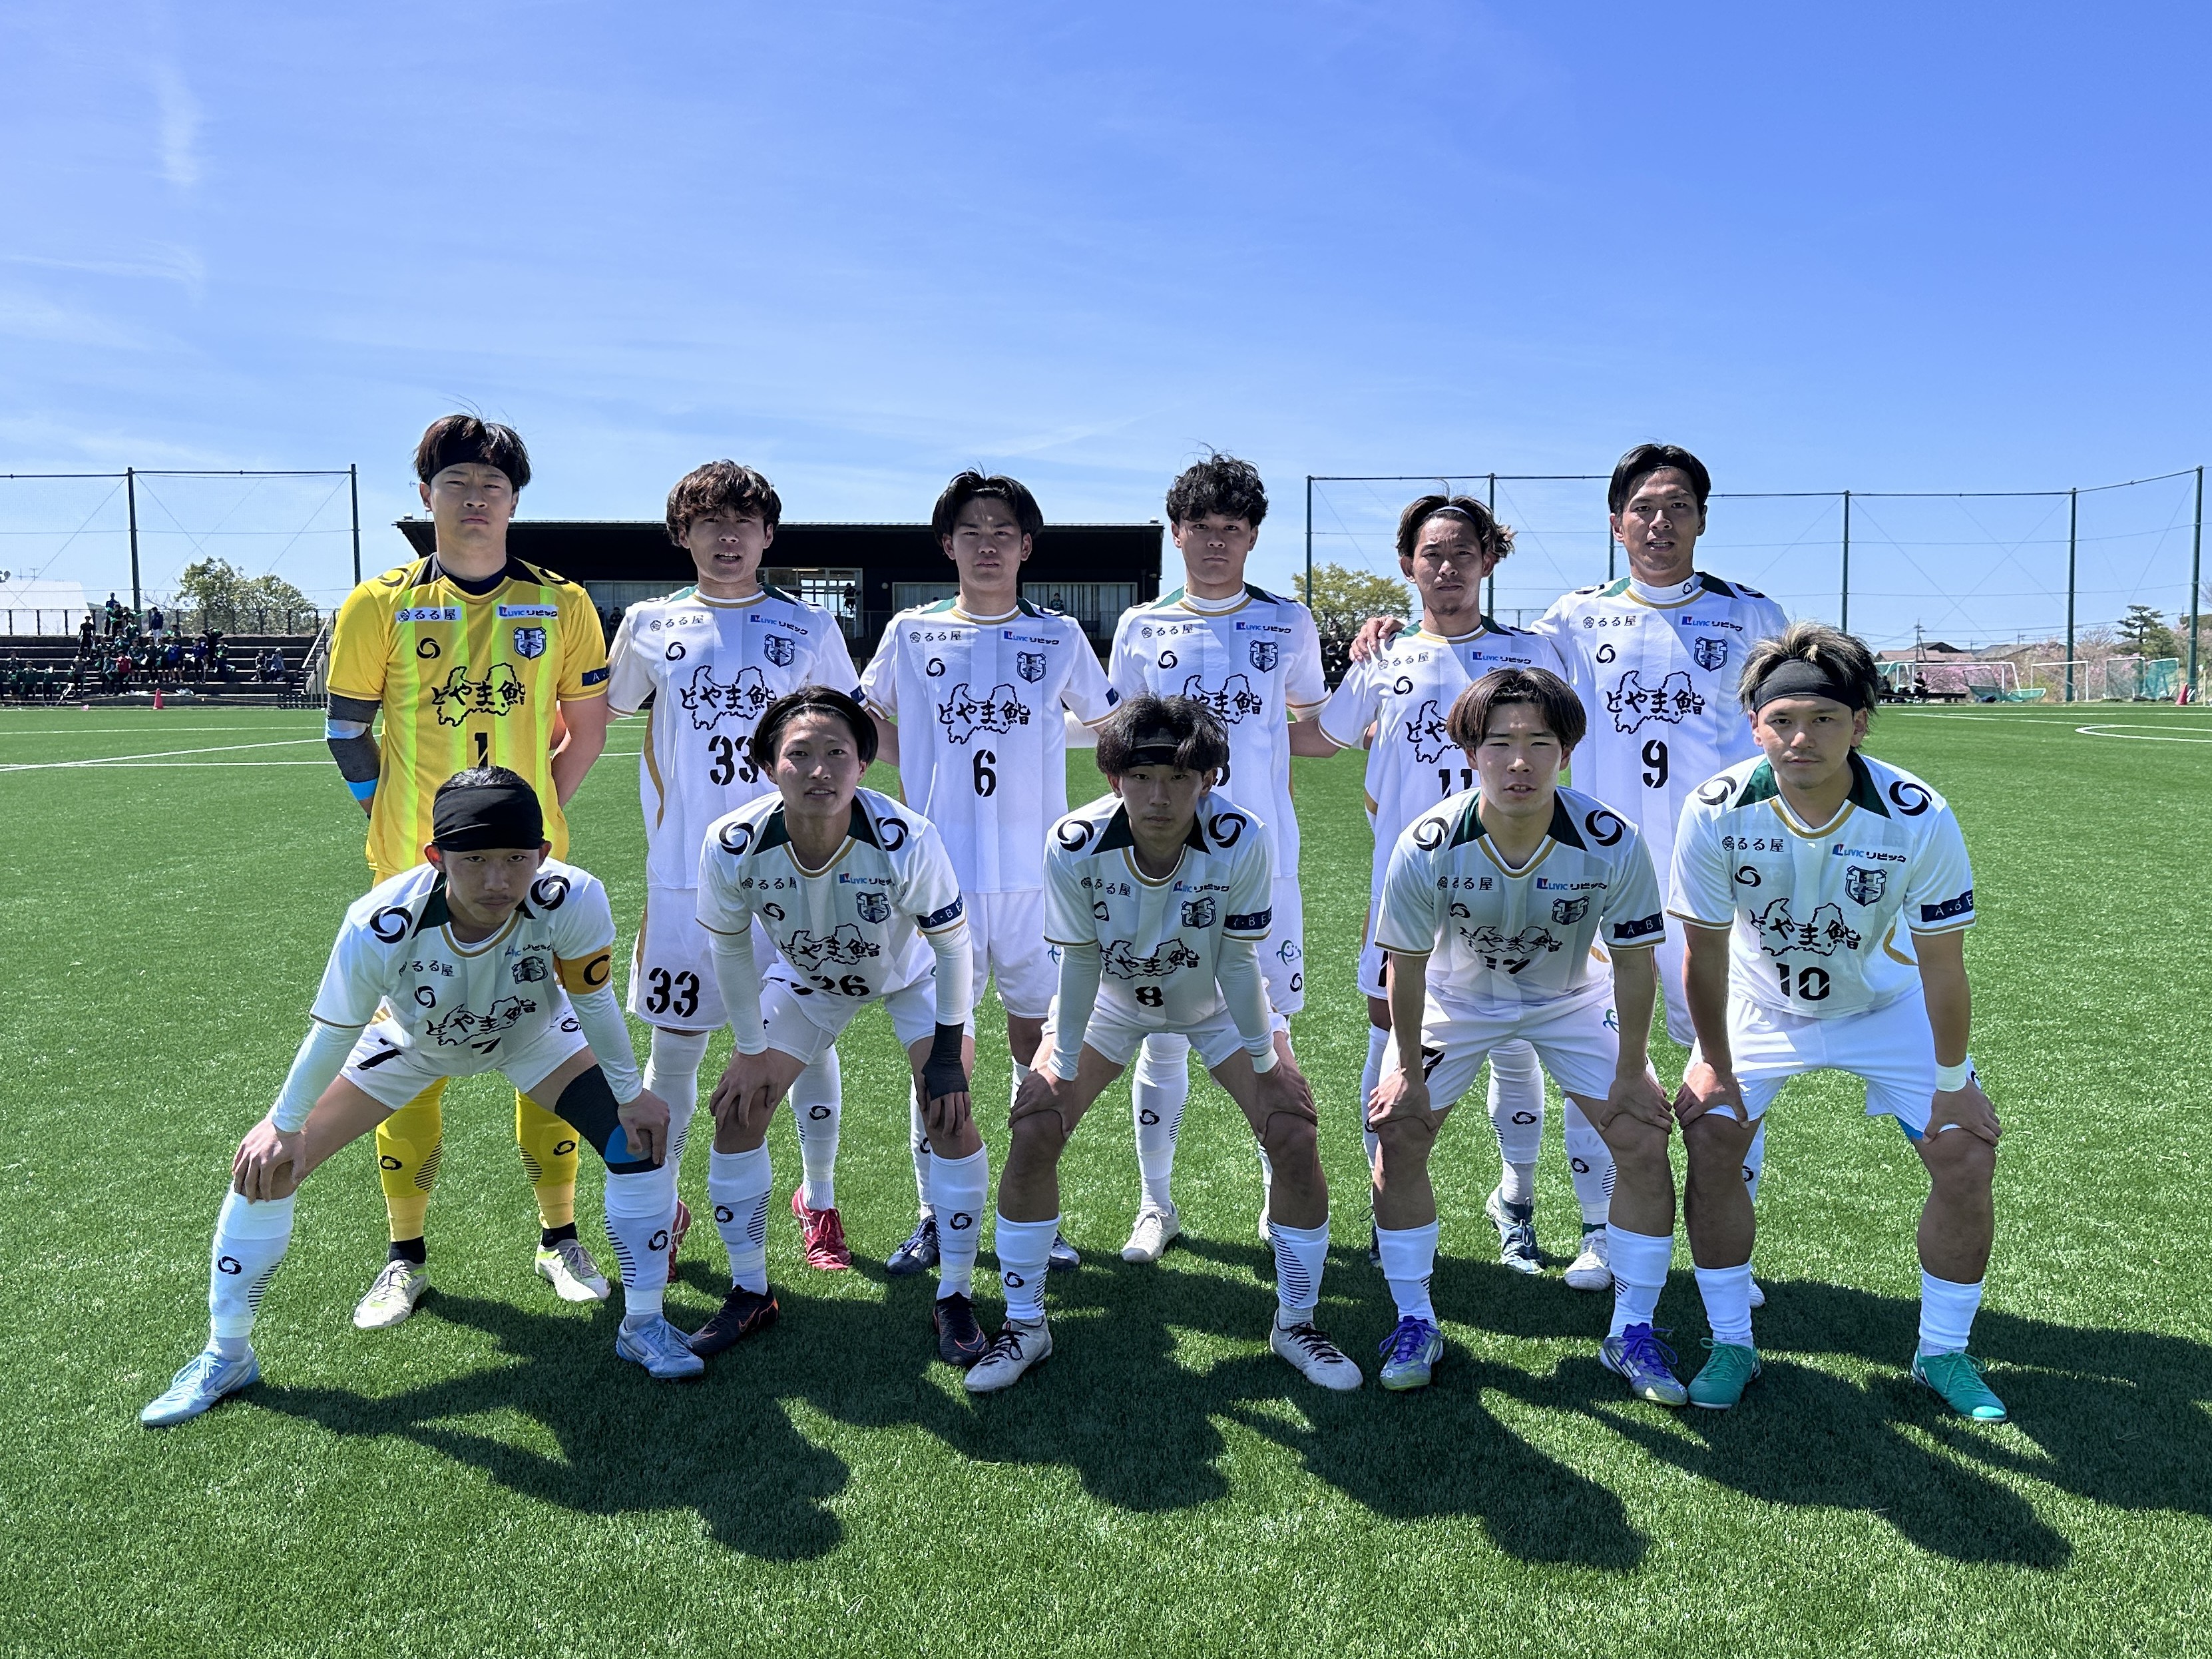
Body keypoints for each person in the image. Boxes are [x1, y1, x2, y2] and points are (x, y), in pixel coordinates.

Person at [1354, 445, 1791, 1298]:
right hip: (1593, 878)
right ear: (1615, 521)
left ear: (1701, 517)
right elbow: (1473, 647)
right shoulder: (1571, 619)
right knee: (1599, 1056)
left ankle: (1723, 1253)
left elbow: (1782, 734)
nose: (1658, 523)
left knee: (1726, 1060)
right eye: (1642, 508)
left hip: (1713, 880)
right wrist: (1389, 629)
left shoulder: (1751, 615)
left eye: (1676, 506)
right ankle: (1597, 1231)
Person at [140, 770, 696, 1427]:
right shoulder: (379, 921)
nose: (498, 880)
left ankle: (643, 1324)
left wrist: (630, 1096)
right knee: (268, 1169)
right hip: (411, 1043)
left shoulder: (572, 896)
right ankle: (226, 1353)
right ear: (437, 857)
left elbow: (593, 1001)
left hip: (534, 1037)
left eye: (516, 858)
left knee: (637, 1144)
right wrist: (282, 1125)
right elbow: (333, 1031)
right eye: (475, 860)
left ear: (542, 853)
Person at [1657, 622, 2004, 1419]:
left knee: (1964, 1154)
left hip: (1886, 1006)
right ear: (1754, 726)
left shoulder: (1916, 813)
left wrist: (1952, 1080)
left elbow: (1943, 964)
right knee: (1710, 1137)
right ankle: (1730, 1341)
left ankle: (1942, 1352)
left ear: (1858, 724)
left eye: (1822, 719)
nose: (1800, 737)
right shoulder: (1714, 809)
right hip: (1760, 1005)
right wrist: (1712, 1060)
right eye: (1780, 720)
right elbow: (1703, 953)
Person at [969, 696, 1361, 1393]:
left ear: (1208, 779)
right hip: (1111, 1000)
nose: (1158, 796)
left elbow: (1238, 962)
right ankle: (1025, 1324)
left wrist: (1267, 1062)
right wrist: (1057, 1067)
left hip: (1215, 999)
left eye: (1179, 777)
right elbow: (1079, 962)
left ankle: (1296, 1322)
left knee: (1293, 1131)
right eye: (1141, 776)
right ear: (1114, 777)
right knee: (1034, 1126)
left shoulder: (1242, 836)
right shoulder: (1073, 840)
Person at [323, 415, 615, 1329]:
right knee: (407, 1061)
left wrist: (531, 827)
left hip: (531, 878)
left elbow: (585, 734)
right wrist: (388, 819)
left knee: (551, 1046)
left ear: (515, 498)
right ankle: (404, 1257)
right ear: (426, 495)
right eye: (456, 482)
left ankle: (559, 1237)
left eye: (492, 484)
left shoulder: (562, 602)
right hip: (411, 874)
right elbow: (345, 732)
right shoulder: (378, 603)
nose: (475, 498)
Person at [1291, 495, 1610, 1286]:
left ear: (1487, 560)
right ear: (1407, 563)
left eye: (1462, 552)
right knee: (1387, 1036)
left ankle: (1517, 1201)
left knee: (1517, 1036)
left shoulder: (1530, 650)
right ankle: (1385, 1209)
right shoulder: (1383, 655)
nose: (1445, 568)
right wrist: (1230, 718)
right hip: (1407, 886)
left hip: (1521, 881)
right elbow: (1322, 739)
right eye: (1430, 553)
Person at [1367, 669, 1671, 1391]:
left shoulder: (1610, 839)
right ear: (1470, 752)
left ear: (1566, 752)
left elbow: (1634, 964)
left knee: (1640, 1134)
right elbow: (1404, 966)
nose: (1518, 762)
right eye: (1499, 742)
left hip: (1571, 999)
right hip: (1458, 999)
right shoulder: (1427, 841)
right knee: (1399, 1132)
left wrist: (1632, 1069)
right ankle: (1414, 1319)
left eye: (1539, 742)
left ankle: (1632, 1330)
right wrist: (1405, 1068)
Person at [861, 471, 1119, 1279]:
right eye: (970, 531)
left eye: (1002, 531)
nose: (986, 544)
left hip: (1038, 882)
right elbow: (864, 721)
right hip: (940, 880)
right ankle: (936, 1215)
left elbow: (1109, 726)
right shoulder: (911, 631)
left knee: (1038, 1045)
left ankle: (1031, 1206)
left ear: (1026, 546)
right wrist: (921, 759)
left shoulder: (1058, 635)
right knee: (940, 1050)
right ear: (947, 544)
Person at [604, 461, 860, 1274]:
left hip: (795, 869)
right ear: (682, 534)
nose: (727, 536)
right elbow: (604, 711)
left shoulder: (807, 626)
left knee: (807, 1040)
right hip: (683, 872)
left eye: (743, 521)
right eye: (709, 521)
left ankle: (818, 1197)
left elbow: (845, 737)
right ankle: (663, 1204)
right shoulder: (647, 622)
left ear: (767, 535)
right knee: (676, 1046)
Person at [692, 688, 989, 1363]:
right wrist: (750, 1049)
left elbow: (952, 948)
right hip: (809, 978)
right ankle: (749, 1290)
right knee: (738, 1109)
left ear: (862, 765)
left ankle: (956, 1295)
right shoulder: (732, 841)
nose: (819, 770)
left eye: (837, 753)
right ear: (769, 765)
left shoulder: (906, 837)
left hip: (911, 976)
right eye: (799, 754)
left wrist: (947, 1055)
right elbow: (730, 948)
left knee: (948, 1112)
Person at [1104, 454, 1326, 1261]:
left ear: (1253, 537)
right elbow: (1120, 745)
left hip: (1262, 863)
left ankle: (1277, 1195)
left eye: (1231, 528)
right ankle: (1154, 1204)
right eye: (1200, 527)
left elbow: (1311, 722)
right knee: (1161, 1031)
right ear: (1176, 533)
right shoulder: (1141, 625)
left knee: (1269, 1028)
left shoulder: (1287, 622)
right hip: (1160, 858)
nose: (1215, 542)